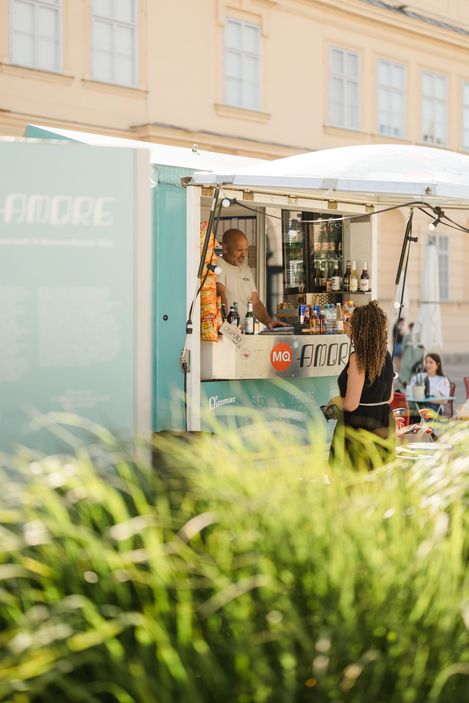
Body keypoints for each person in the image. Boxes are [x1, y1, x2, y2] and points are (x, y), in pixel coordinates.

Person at [327, 300, 395, 468]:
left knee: (351, 485)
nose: (348, 327)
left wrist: (334, 402)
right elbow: (390, 396)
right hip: (383, 425)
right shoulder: (385, 355)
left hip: (359, 428)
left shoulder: (358, 359)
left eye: (352, 323)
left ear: (361, 329)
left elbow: (351, 403)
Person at [216, 229, 288, 330]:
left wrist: (268, 321)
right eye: (239, 250)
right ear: (225, 249)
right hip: (227, 331)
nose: (244, 254)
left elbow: (255, 302)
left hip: (243, 332)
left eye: (246, 249)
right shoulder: (218, 264)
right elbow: (220, 295)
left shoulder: (246, 269)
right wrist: (224, 325)